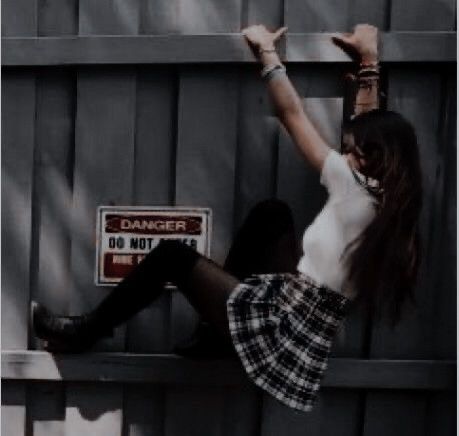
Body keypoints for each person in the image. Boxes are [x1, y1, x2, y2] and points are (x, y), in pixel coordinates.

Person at [31, 24, 423, 412]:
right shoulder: (393, 208)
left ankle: (85, 331)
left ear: (370, 158)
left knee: (171, 255)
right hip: (308, 327)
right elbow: (371, 130)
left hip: (283, 324)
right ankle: (214, 335)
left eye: (351, 150)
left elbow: (291, 114)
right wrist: (369, 60)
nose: (344, 154)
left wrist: (267, 54)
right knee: (273, 215)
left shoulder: (350, 182)